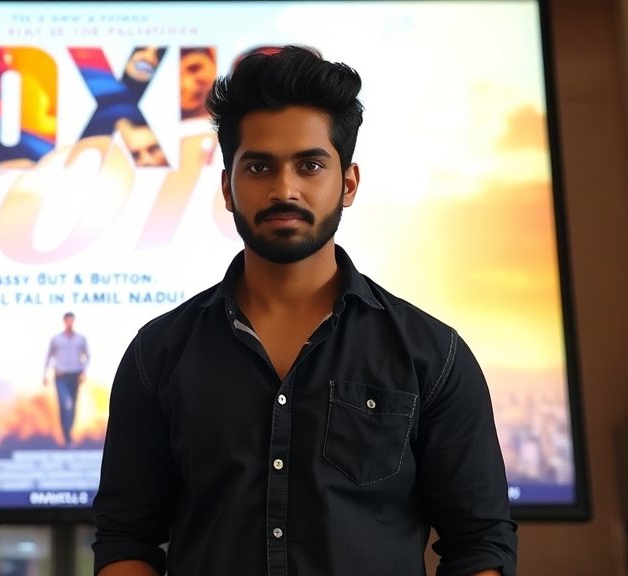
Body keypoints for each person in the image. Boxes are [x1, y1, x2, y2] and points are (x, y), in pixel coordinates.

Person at [92, 45, 518, 576]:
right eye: (259, 166)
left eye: (310, 165)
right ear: (227, 187)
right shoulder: (157, 354)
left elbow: (478, 542)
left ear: (348, 183)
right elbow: (126, 537)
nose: (284, 189)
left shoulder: (433, 355)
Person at [44, 311, 90, 447]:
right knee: (65, 405)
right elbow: (49, 356)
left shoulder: (81, 339)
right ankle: (67, 437)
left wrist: (84, 371)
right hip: (61, 376)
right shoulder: (56, 339)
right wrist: (45, 374)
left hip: (75, 376)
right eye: (67, 321)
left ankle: (69, 435)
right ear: (64, 322)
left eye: (71, 320)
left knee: (73, 406)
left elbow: (87, 356)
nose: (69, 323)